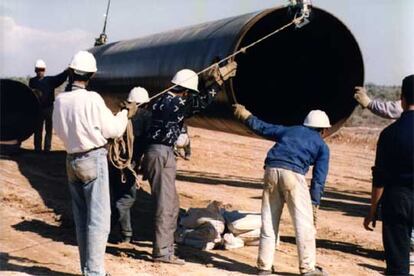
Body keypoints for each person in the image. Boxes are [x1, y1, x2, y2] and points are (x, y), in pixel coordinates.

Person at [142, 62, 237, 265]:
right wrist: (216, 85)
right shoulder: (174, 104)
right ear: (185, 91)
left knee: (172, 203)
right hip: (161, 153)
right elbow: (198, 104)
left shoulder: (160, 100)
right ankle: (162, 253)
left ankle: (166, 246)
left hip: (156, 152)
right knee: (166, 206)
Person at [53, 50, 137, 276]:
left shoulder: (60, 100)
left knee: (82, 221)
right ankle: (95, 273)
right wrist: (125, 114)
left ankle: (88, 270)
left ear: (70, 72)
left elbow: (59, 131)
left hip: (71, 160)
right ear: (91, 76)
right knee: (99, 222)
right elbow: (114, 130)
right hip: (93, 159)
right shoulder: (93, 99)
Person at [233, 104, 330, 276]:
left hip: (271, 170)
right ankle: (308, 268)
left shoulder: (290, 131)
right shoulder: (322, 146)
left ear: (306, 124)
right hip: (294, 176)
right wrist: (314, 203)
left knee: (269, 222)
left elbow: (263, 128)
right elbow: (319, 179)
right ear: (323, 130)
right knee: (303, 225)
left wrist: (245, 115)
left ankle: (264, 268)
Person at [355, 85, 414, 265]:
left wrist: (373, 209)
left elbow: (380, 176)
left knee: (398, 260)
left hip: (399, 196)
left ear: (403, 98)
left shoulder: (390, 134)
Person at [109, 86, 152, 244]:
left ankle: (126, 233)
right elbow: (148, 143)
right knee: (127, 198)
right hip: (127, 164)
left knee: (120, 196)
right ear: (145, 103)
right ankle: (103, 228)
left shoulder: (121, 115)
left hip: (114, 162)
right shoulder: (146, 116)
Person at [29, 59, 68, 152]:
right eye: (38, 69)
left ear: (44, 70)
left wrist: (67, 71)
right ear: (35, 70)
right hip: (38, 109)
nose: (40, 71)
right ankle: (37, 148)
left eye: (42, 69)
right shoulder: (32, 81)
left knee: (48, 129)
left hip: (49, 108)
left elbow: (60, 77)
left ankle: (47, 148)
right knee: (37, 129)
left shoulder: (50, 80)